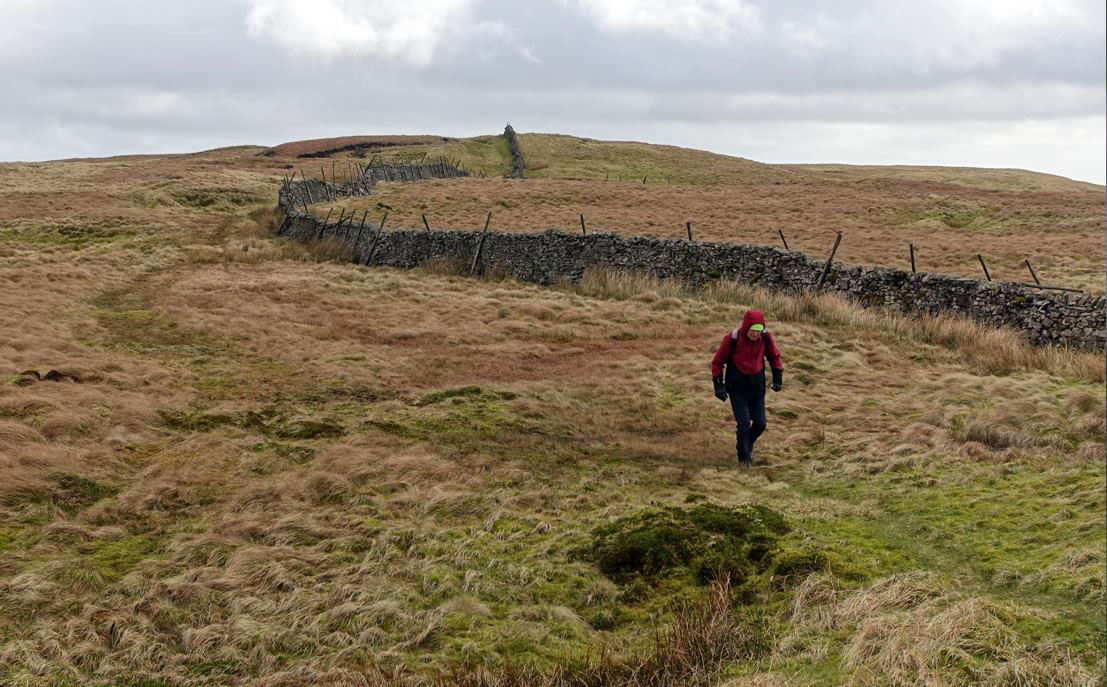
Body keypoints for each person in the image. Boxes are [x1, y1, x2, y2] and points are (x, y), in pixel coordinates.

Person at [710, 309, 783, 469]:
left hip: (757, 388)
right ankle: (744, 458)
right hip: (737, 389)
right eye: (753, 330)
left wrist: (778, 378)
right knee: (743, 424)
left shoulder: (765, 337)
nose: (756, 334)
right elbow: (717, 362)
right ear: (746, 327)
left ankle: (747, 443)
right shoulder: (732, 338)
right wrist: (718, 386)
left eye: (759, 330)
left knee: (761, 424)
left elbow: (774, 357)